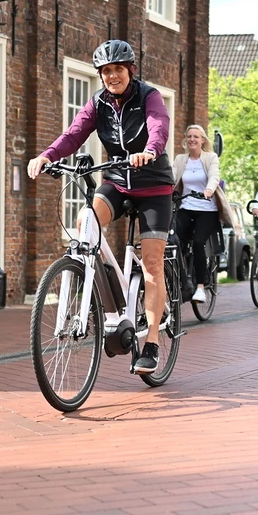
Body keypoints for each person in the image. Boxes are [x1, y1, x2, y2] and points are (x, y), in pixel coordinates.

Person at [27, 40, 172, 374]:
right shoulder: (99, 103)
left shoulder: (147, 96)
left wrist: (149, 149)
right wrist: (48, 155)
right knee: (85, 222)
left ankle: (150, 340)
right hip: (119, 180)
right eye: (106, 72)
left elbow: (159, 125)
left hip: (153, 185)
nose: (112, 77)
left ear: (130, 70)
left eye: (117, 70)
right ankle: (107, 304)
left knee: (151, 262)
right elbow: (75, 133)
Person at [172, 125, 224, 304]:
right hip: (186, 206)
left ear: (203, 140)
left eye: (196, 136)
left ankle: (201, 286)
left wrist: (209, 190)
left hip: (207, 209)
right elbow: (172, 178)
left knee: (198, 242)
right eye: (189, 136)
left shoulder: (210, 158)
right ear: (186, 139)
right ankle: (182, 279)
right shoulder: (180, 159)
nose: (192, 139)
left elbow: (214, 176)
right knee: (173, 239)